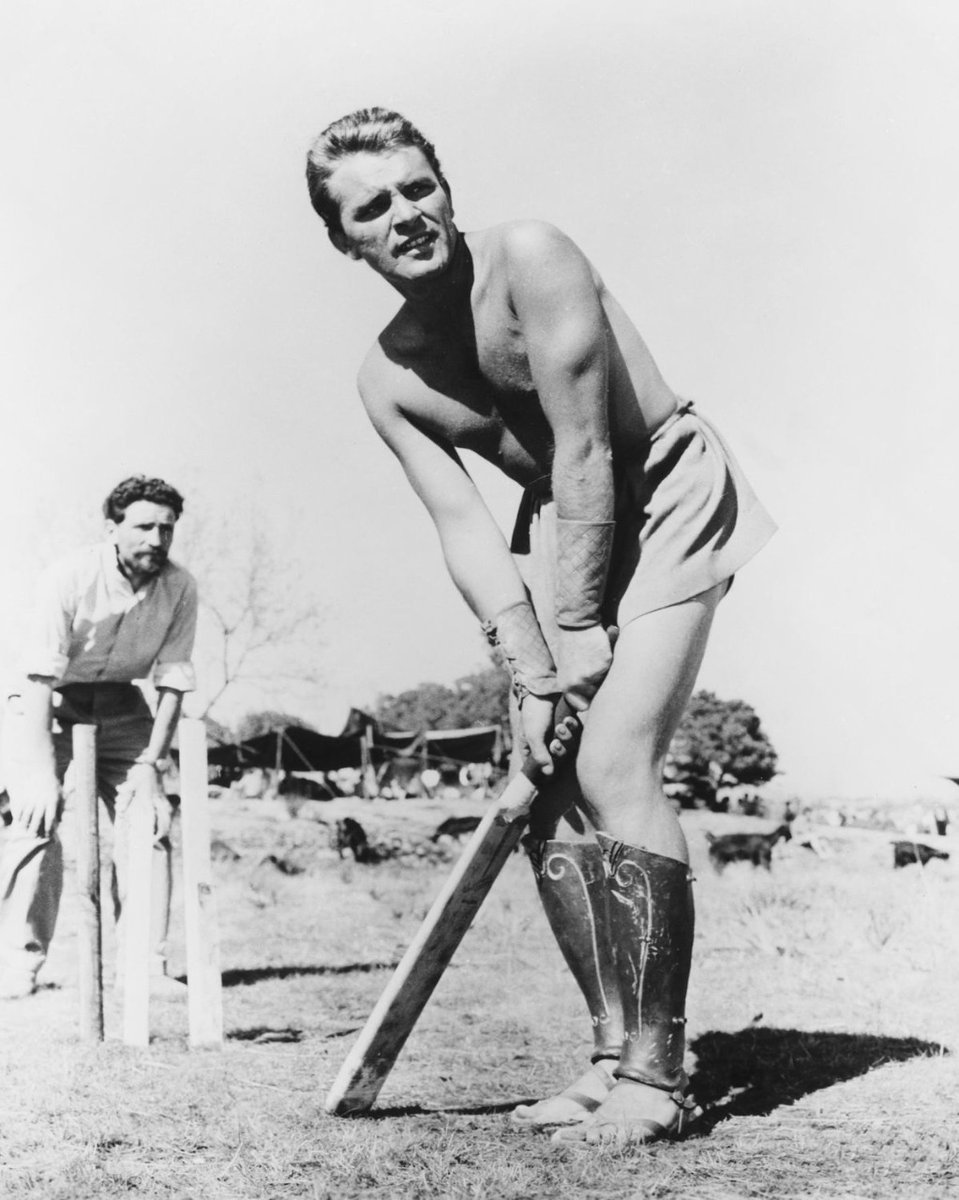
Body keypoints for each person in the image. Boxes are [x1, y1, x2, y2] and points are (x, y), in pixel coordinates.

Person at [306, 108, 776, 1147]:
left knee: (612, 760)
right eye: (372, 208)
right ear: (344, 241)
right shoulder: (385, 380)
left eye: (416, 187)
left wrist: (576, 627)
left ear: (445, 184)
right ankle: (609, 1056)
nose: (405, 216)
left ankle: (659, 1080)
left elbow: (583, 447)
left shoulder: (531, 254)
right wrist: (526, 668)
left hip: (657, 485)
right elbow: (465, 528)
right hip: (556, 523)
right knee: (546, 775)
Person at [0, 476, 198, 1000]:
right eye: (143, 527)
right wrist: (39, 773)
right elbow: (40, 677)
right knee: (32, 819)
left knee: (150, 825)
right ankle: (18, 965)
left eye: (166, 529)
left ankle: (144, 966)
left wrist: (151, 767)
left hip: (122, 705)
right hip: (49, 702)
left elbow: (174, 680)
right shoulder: (69, 576)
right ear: (112, 528)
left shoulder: (180, 586)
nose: (155, 540)